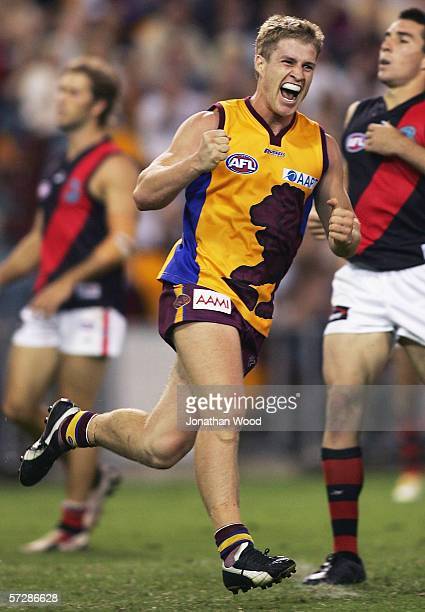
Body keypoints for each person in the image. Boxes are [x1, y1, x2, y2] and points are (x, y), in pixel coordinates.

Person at [19, 15, 358, 593]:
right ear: (261, 63)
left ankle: (73, 425)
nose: (298, 74)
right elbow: (144, 192)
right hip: (198, 282)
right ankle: (236, 549)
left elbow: (343, 230)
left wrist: (345, 230)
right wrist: (194, 162)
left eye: (307, 65)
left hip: (253, 307)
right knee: (223, 410)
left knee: (162, 444)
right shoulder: (214, 122)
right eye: (287, 62)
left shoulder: (320, 146)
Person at [304, 7, 425, 586]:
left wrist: (405, 150)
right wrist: (332, 222)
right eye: (385, 37)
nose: (387, 46)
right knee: (342, 406)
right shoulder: (359, 113)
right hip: (362, 279)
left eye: (403, 39)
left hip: (421, 274)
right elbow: (344, 197)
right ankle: (345, 556)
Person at [0, 56, 138, 551]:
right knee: (18, 404)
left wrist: (66, 281)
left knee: (73, 410)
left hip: (91, 303)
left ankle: (73, 523)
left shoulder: (114, 163)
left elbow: (122, 240)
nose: (60, 99)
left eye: (73, 92)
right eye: (60, 90)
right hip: (50, 304)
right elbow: (40, 239)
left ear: (98, 105)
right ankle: (95, 472)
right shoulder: (60, 163)